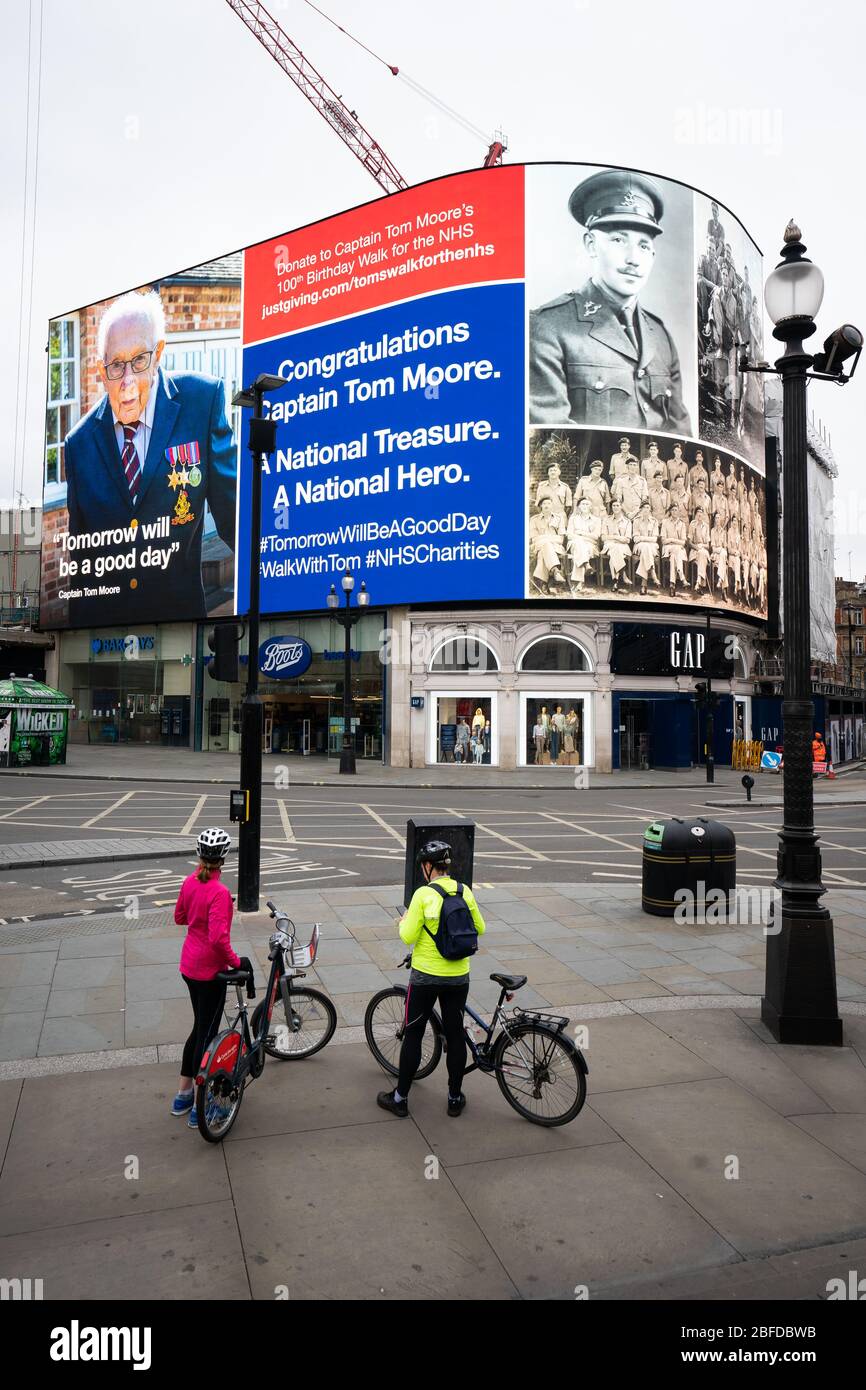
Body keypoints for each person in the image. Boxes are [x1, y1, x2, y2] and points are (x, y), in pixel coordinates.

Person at [63, 289, 237, 626]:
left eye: (139, 361)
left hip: (181, 629)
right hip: (106, 636)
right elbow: (81, 568)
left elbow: (235, 521)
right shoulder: (78, 444)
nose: (127, 381)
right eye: (116, 365)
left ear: (158, 354)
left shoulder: (202, 402)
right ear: (102, 370)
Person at [529, 170, 693, 434]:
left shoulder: (661, 337)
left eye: (643, 246)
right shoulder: (548, 326)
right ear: (592, 245)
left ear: (652, 255)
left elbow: (681, 437)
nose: (633, 259)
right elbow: (551, 442)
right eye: (618, 240)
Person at [377, 841, 486, 1118]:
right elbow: (481, 928)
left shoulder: (423, 895)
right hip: (458, 976)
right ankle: (454, 1097)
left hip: (425, 977)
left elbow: (408, 936)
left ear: (428, 867)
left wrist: (403, 922)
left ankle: (400, 1099)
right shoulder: (465, 891)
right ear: (447, 867)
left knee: (413, 1033)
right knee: (455, 1032)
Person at [172, 827, 252, 1128]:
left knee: (198, 1028)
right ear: (224, 857)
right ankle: (200, 1109)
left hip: (188, 966)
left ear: (199, 853)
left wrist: (196, 920)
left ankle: (182, 1096)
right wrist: (235, 962)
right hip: (210, 971)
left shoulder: (190, 881)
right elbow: (219, 939)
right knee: (207, 1035)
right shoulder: (219, 892)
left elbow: (179, 917)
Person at [566, 497, 601, 592]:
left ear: (591, 507)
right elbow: (569, 535)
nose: (585, 506)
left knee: (580, 547)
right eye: (583, 504)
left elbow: (596, 536)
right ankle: (586, 565)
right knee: (579, 545)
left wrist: (581, 533)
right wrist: (586, 537)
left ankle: (579, 581)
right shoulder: (573, 519)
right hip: (574, 544)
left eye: (587, 504)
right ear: (578, 506)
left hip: (590, 546)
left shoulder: (596, 520)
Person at [601, 498, 633, 591]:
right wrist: (618, 538)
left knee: (613, 555)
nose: (615, 507)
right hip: (609, 545)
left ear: (621, 506)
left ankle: (615, 581)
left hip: (622, 547)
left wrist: (614, 537)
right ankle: (623, 575)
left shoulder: (627, 522)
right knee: (614, 549)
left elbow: (627, 540)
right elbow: (603, 537)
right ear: (611, 507)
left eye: (617, 505)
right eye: (613, 505)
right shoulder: (606, 520)